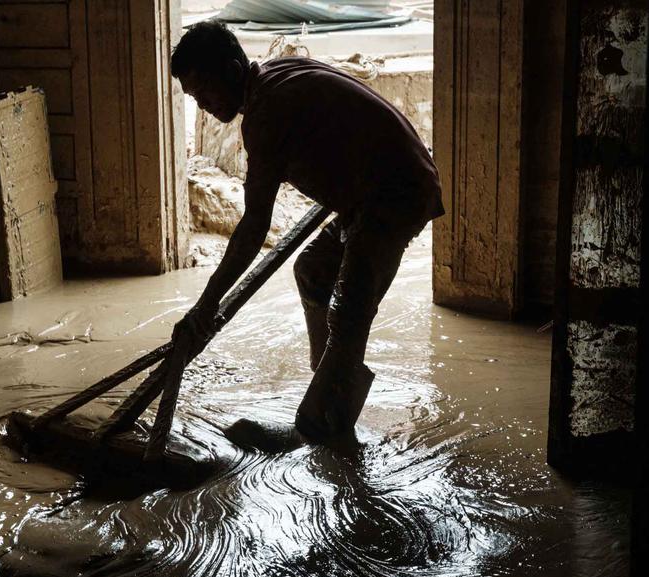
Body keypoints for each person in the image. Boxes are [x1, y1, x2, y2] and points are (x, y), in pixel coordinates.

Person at [170, 21, 444, 451]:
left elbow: (253, 226)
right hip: (372, 191)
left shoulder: (265, 115)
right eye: (194, 99)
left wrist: (206, 304)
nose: (203, 106)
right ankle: (332, 379)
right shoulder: (278, 73)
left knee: (350, 308)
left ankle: (325, 426)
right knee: (314, 270)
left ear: (233, 67)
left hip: (395, 194)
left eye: (205, 91)